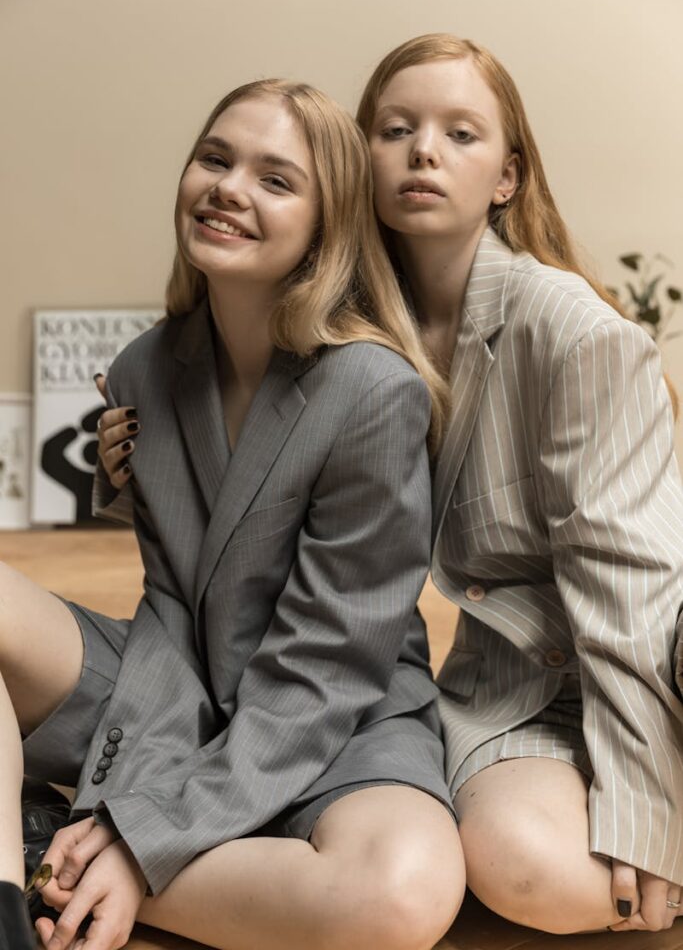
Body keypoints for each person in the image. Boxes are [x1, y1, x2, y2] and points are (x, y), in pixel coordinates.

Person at [100, 36, 683, 937]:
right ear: (353, 161)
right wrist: (135, 467)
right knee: (535, 880)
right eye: (394, 129)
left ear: (507, 177)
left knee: (612, 873)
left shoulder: (571, 331)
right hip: (511, 681)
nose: (423, 151)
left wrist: (647, 811)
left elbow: (630, 591)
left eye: (460, 133)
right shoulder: (344, 332)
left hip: (652, 655)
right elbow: (246, 480)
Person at [0, 78, 464, 950]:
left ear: (327, 228)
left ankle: (45, 855)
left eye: (276, 179)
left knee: (397, 899)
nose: (228, 187)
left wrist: (147, 833)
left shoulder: (373, 392)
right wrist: (149, 790)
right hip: (177, 681)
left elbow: (328, 666)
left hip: (337, 709)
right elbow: (171, 606)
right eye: (215, 159)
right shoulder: (145, 367)